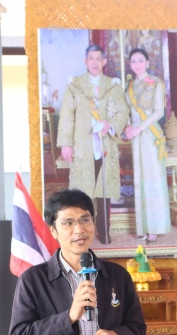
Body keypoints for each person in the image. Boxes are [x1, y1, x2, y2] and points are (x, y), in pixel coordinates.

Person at [8, 189, 146, 335]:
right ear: (53, 230)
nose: (79, 229)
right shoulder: (33, 280)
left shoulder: (118, 276)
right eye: (68, 223)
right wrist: (69, 317)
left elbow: (138, 331)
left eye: (85, 220)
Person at [57, 44, 130, 244]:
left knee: (104, 191)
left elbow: (123, 111)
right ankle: (81, 232)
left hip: (105, 145)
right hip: (82, 145)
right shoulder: (75, 85)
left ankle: (104, 231)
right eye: (91, 58)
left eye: (99, 58)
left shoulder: (113, 85)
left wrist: (110, 125)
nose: (95, 62)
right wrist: (66, 144)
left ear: (104, 61)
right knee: (81, 192)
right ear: (85, 61)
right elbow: (67, 115)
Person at [123, 48, 171, 245]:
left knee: (153, 180)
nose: (137, 64)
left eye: (140, 60)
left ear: (147, 63)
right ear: (130, 64)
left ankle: (155, 228)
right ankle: (142, 227)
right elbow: (128, 110)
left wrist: (139, 128)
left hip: (150, 135)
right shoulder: (129, 86)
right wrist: (128, 126)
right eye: (133, 61)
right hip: (135, 137)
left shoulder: (156, 83)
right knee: (140, 180)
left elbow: (159, 112)